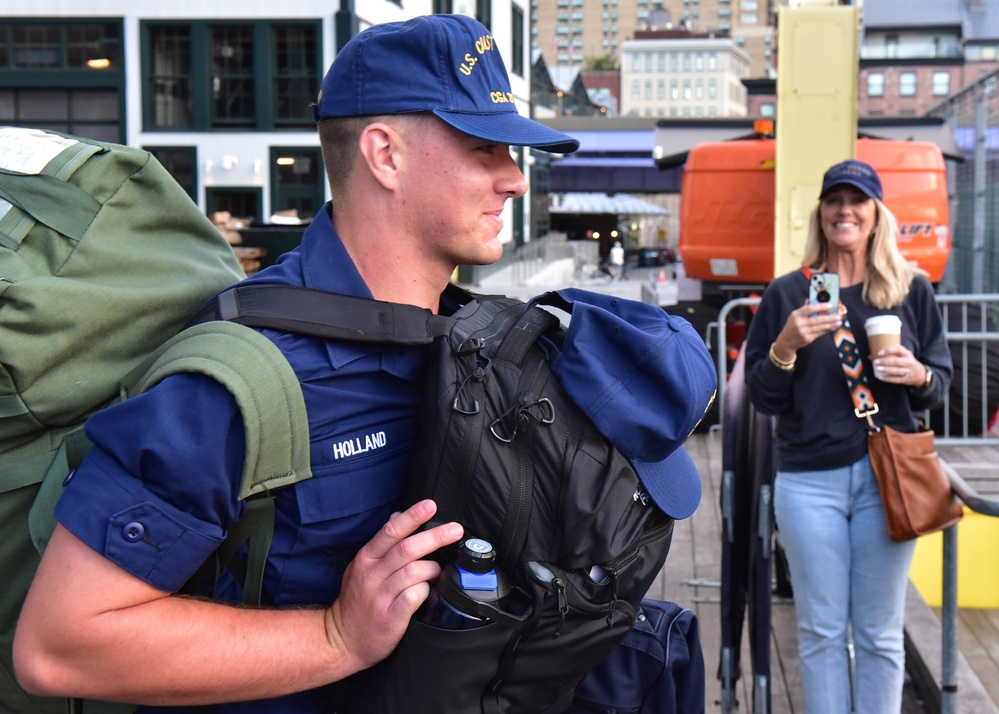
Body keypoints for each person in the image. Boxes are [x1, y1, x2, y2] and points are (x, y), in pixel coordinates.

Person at [12, 14, 579, 713]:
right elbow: (60, 645)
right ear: (385, 154)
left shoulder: (458, 343)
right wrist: (336, 636)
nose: (513, 180)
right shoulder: (239, 381)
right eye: (485, 148)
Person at [743, 159, 953, 714]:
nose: (845, 211)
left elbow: (940, 384)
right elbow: (763, 398)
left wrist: (920, 375)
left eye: (857, 200)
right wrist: (786, 345)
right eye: (834, 200)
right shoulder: (789, 293)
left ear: (876, 214)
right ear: (821, 213)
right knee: (820, 630)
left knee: (881, 631)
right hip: (809, 480)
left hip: (890, 477)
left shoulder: (909, 290)